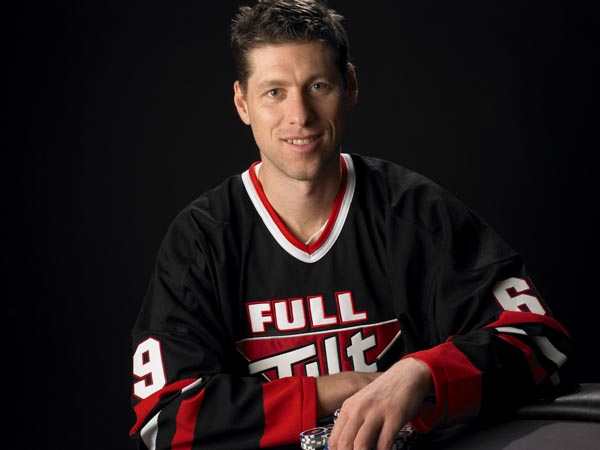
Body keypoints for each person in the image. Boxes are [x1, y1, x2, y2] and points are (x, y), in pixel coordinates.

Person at [129, 1, 572, 449]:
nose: (300, 116)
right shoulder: (203, 238)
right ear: (243, 102)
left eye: (318, 86)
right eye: (274, 92)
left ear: (351, 87)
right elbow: (165, 418)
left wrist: (420, 373)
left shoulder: (416, 212)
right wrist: (338, 389)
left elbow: (538, 343)